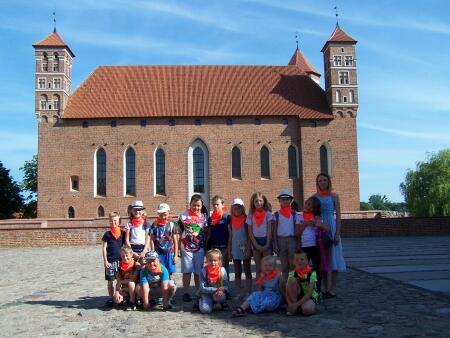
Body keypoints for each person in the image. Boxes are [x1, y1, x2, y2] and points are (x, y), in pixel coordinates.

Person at [315, 173, 346, 298]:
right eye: (320, 180)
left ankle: (333, 288)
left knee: (334, 259)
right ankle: (325, 287)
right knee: (324, 259)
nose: (322, 182)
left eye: (324, 180)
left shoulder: (334, 196)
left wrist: (337, 233)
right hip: (321, 228)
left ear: (328, 181)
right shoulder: (315, 197)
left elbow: (338, 215)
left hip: (332, 227)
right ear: (317, 183)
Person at [178, 194, 208, 302]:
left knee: (198, 271)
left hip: (199, 248)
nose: (196, 207)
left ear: (202, 205)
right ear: (190, 204)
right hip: (186, 248)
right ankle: (186, 292)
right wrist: (178, 247)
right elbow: (180, 231)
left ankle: (198, 291)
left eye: (198, 205)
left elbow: (205, 232)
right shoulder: (183, 215)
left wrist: (205, 248)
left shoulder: (204, 217)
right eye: (194, 205)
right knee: (187, 271)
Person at [273, 189, 302, 280]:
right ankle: (285, 284)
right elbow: (274, 230)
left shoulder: (294, 214)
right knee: (284, 265)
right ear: (279, 201)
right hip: (281, 240)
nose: (285, 201)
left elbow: (298, 230)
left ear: (290, 200)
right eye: (282, 199)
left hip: (292, 240)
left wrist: (298, 243)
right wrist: (275, 243)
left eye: (287, 199)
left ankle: (292, 283)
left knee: (292, 264)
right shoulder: (276, 215)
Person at [145, 203, 179, 278]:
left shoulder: (172, 224)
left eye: (165, 214)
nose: (163, 217)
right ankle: (161, 284)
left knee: (169, 272)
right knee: (159, 270)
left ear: (168, 213)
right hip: (158, 253)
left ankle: (168, 284)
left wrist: (176, 255)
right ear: (158, 214)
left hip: (169, 253)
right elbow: (151, 239)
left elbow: (175, 241)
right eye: (161, 215)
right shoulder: (155, 224)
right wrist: (153, 252)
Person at [247, 192, 274, 279]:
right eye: (256, 201)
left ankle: (269, 288)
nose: (258, 203)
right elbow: (250, 232)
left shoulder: (268, 214)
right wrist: (256, 245)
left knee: (268, 267)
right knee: (258, 268)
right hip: (256, 241)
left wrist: (267, 244)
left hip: (266, 240)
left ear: (264, 201)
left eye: (260, 201)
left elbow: (270, 230)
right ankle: (260, 289)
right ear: (253, 203)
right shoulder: (250, 215)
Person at [229, 198, 252, 299]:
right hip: (235, 248)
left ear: (242, 208)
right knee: (237, 271)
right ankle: (238, 293)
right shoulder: (230, 221)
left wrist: (248, 249)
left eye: (239, 208)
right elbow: (230, 237)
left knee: (247, 270)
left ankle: (249, 292)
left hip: (245, 247)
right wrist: (230, 251)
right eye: (235, 208)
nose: (237, 210)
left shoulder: (246, 219)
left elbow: (249, 235)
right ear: (232, 209)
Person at [101, 211, 126, 307]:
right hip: (110, 261)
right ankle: (111, 298)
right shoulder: (107, 234)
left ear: (119, 221)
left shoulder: (123, 233)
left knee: (120, 280)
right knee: (110, 281)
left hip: (120, 261)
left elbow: (126, 246)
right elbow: (104, 248)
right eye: (111, 221)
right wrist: (105, 260)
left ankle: (120, 297)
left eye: (115, 221)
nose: (113, 223)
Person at [285, 250, 320, 316]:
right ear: (293, 262)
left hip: (309, 297)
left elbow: (310, 293)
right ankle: (294, 307)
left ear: (307, 261)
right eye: (297, 260)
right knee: (290, 281)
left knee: (307, 310)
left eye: (302, 259)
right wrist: (290, 304)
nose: (299, 261)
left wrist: (296, 305)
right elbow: (287, 289)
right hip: (297, 296)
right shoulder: (292, 273)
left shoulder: (312, 273)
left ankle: (298, 307)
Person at [196, 249, 229, 313]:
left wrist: (223, 289)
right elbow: (203, 288)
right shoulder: (203, 271)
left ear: (219, 261)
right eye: (210, 260)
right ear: (207, 261)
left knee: (222, 297)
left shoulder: (222, 270)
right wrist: (216, 290)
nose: (213, 262)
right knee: (205, 310)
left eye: (215, 260)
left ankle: (218, 303)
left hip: (217, 293)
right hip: (206, 293)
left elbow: (227, 285)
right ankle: (200, 300)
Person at [206, 195, 231, 276]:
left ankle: (225, 287)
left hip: (224, 247)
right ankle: (215, 287)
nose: (215, 206)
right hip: (214, 247)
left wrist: (229, 248)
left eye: (217, 204)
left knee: (224, 269)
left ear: (222, 205)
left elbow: (230, 234)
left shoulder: (227, 217)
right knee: (214, 268)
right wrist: (207, 246)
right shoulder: (210, 218)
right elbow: (209, 233)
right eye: (213, 204)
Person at [113, 245, 138, 310]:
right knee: (117, 301)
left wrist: (121, 282)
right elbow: (118, 280)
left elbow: (133, 279)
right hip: (124, 287)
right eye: (123, 256)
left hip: (134, 287)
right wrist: (117, 292)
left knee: (131, 283)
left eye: (127, 255)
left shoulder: (135, 265)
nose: (125, 258)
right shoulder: (119, 266)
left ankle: (132, 301)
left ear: (131, 255)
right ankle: (124, 299)